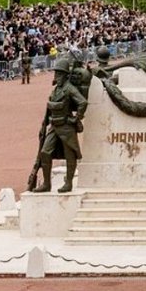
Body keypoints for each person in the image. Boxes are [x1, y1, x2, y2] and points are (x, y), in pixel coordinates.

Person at [29, 54, 88, 194]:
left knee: (70, 155)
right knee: (45, 152)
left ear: (64, 75)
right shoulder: (56, 89)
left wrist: (76, 118)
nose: (56, 75)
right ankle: (47, 184)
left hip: (66, 126)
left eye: (59, 73)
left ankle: (68, 183)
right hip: (54, 126)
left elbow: (82, 102)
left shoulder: (69, 89)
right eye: (56, 73)